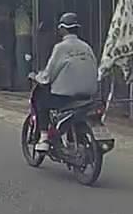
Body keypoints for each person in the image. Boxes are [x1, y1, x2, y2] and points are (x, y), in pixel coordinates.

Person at [31, 12, 99, 152]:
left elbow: (48, 76)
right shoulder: (86, 47)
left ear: (62, 29)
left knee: (40, 98)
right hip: (87, 96)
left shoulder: (61, 48)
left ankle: (44, 137)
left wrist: (36, 77)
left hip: (65, 98)